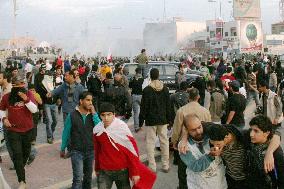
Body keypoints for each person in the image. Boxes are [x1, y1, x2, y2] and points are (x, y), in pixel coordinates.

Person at [93, 102, 156, 189]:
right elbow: (97, 151)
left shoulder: (122, 127)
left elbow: (132, 151)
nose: (106, 118)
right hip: (104, 171)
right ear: (100, 116)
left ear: (114, 114)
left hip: (122, 170)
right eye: (103, 115)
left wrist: (135, 172)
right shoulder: (97, 130)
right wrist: (97, 167)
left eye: (109, 114)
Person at [0, 75, 37, 189]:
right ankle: (22, 181)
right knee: (17, 155)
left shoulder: (29, 94)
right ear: (13, 85)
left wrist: (26, 99)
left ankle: (21, 166)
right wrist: (4, 119)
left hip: (28, 130)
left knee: (26, 153)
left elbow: (34, 109)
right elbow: (1, 110)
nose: (20, 86)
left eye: (22, 83)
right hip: (13, 130)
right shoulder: (7, 97)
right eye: (17, 84)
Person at [172, 88, 211, 189]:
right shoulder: (205, 111)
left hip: (185, 148)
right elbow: (210, 129)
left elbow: (176, 129)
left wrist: (174, 141)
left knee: (183, 174)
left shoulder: (181, 111)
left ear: (188, 98)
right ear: (198, 97)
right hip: (202, 147)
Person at [60, 92, 100, 189]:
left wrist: (94, 113)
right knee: (78, 179)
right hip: (76, 151)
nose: (90, 103)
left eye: (91, 100)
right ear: (81, 101)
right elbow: (66, 132)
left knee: (88, 178)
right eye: (88, 100)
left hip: (90, 151)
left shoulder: (93, 115)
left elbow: (99, 128)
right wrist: (62, 148)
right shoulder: (72, 115)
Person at [179, 114, 227, 189]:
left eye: (199, 127)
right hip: (199, 185)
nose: (198, 132)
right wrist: (210, 155)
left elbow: (227, 131)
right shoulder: (184, 146)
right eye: (193, 130)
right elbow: (195, 166)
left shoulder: (210, 132)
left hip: (220, 183)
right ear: (186, 130)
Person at [139, 68, 173, 172]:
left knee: (150, 142)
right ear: (158, 75)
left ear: (150, 76)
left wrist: (141, 121)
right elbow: (168, 105)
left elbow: (143, 107)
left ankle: (152, 166)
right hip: (163, 120)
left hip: (151, 120)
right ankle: (165, 165)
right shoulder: (165, 89)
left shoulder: (147, 90)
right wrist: (170, 119)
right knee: (164, 142)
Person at [246, 115, 284, 189]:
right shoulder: (251, 138)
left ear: (266, 133)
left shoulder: (276, 153)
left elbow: (281, 179)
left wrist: (269, 152)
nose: (251, 134)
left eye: (256, 131)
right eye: (251, 130)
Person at [129, 67, 144, 132]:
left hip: (134, 96)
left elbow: (130, 86)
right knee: (142, 111)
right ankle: (141, 125)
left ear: (135, 72)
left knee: (135, 113)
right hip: (141, 96)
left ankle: (136, 127)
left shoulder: (133, 78)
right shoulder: (143, 79)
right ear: (140, 72)